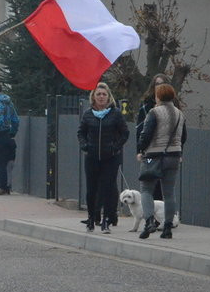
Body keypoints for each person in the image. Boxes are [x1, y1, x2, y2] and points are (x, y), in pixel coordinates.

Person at [137, 83, 187, 239]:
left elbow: (146, 134)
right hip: (173, 156)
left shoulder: (154, 112)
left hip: (153, 156)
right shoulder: (180, 114)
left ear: (158, 96)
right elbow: (183, 137)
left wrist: (141, 149)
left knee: (146, 189)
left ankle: (149, 221)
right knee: (169, 193)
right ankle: (167, 228)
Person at [77, 82, 129, 234]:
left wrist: (115, 147)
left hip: (110, 158)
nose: (101, 97)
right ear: (93, 96)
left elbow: (125, 133)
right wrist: (85, 145)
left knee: (107, 188)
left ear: (108, 97)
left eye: (104, 94)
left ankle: (106, 220)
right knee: (91, 190)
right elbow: (81, 132)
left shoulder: (115, 113)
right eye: (98, 94)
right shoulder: (88, 114)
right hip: (92, 156)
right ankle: (92, 218)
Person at [136, 74, 180, 201]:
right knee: (150, 183)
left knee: (166, 187)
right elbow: (140, 130)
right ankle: (151, 217)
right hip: (150, 151)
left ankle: (166, 218)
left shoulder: (174, 105)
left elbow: (179, 130)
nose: (159, 87)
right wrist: (139, 150)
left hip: (169, 152)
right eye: (157, 84)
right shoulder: (146, 105)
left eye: (162, 84)